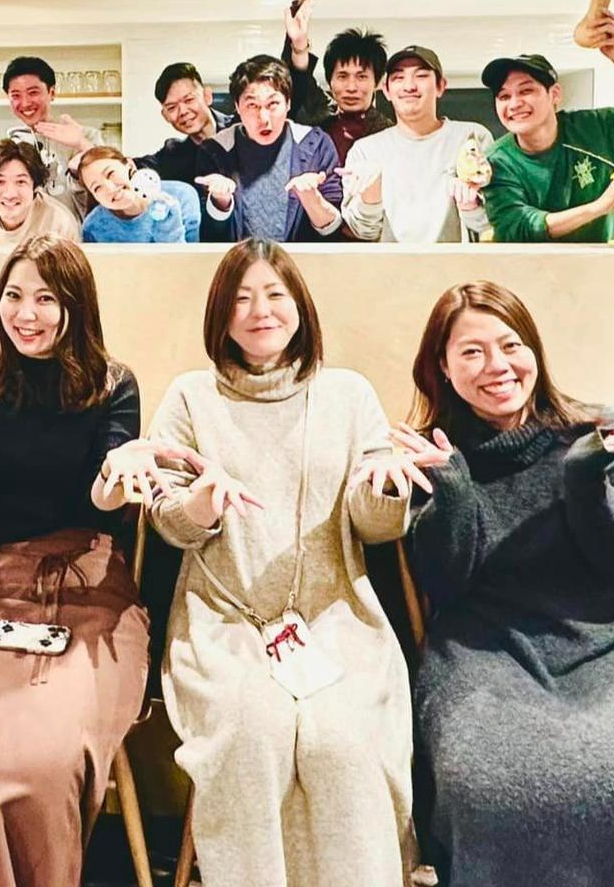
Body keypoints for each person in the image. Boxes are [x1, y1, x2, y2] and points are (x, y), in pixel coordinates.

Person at [400, 280, 614, 886]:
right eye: (471, 352)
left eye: (510, 345)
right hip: (483, 651)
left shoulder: (596, 432)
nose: (497, 366)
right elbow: (445, 583)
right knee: (489, 791)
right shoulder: (436, 452)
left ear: (534, 350)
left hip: (609, 642)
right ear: (441, 366)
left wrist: (585, 482)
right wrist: (454, 490)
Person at [147, 240, 414, 887]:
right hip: (223, 621)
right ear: (220, 315)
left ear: (300, 305)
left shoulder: (347, 394)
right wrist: (200, 506)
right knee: (252, 732)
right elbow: (165, 516)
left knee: (342, 740)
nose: (259, 311)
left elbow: (375, 525)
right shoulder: (190, 397)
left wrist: (385, 489)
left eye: (274, 294)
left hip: (335, 617)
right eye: (241, 299)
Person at [0, 236, 149, 887]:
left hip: (94, 590)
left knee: (49, 755)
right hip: (1, 589)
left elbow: (106, 503)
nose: (26, 313)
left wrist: (116, 479)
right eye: (14, 296)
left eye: (45, 298)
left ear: (75, 306)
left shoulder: (113, 385)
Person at [479, 4, 614, 243]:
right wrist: (599, 207)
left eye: (526, 91)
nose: (514, 104)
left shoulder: (597, 130)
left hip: (604, 262)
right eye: (504, 96)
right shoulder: (497, 161)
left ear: (554, 94)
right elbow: (518, 227)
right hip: (530, 265)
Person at [341, 45, 494, 243]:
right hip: (388, 262)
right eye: (398, 77)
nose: (409, 86)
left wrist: (470, 205)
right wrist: (371, 194)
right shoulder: (366, 151)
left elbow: (490, 223)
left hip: (456, 262)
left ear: (441, 86)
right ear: (386, 90)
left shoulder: (471, 138)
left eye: (421, 76)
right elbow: (364, 231)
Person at [194, 57, 343, 242]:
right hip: (240, 258)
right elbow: (206, 235)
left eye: (272, 104)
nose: (263, 118)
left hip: (300, 259)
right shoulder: (215, 150)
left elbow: (334, 230)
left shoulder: (316, 144)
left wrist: (312, 199)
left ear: (288, 103)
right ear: (237, 107)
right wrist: (220, 201)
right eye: (252, 105)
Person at [282, 0, 394, 161]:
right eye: (342, 76)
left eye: (361, 76)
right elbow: (297, 79)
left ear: (378, 81)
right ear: (330, 80)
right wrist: (299, 43)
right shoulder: (318, 116)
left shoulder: (389, 135)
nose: (351, 87)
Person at [2, 57, 93, 217]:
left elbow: (110, 185)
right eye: (16, 95)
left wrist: (82, 144)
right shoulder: (12, 145)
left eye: (33, 93)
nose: (25, 103)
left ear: (52, 92)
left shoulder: (85, 135)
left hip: (77, 231)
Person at [0, 139, 82, 246]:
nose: (10, 194)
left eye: (21, 182)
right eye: (0, 181)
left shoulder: (60, 222)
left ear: (35, 186)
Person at [133, 63, 233, 187]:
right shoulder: (173, 156)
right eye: (172, 107)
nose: (183, 112)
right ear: (165, 116)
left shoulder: (243, 129)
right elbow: (134, 165)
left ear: (207, 96)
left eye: (189, 100)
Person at [75, 145, 201, 243]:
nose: (110, 188)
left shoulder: (182, 195)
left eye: (110, 173)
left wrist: (168, 223)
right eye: (97, 188)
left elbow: (191, 259)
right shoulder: (93, 226)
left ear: (130, 165)